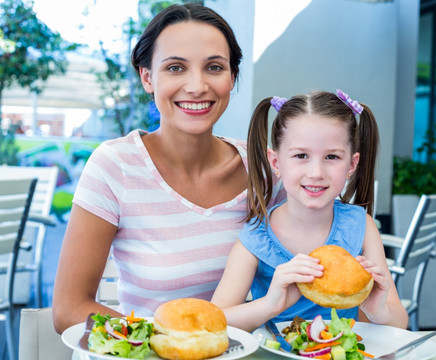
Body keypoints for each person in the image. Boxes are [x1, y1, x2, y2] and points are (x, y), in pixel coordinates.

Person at [52, 3, 285, 334]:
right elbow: (69, 309)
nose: (196, 86)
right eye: (176, 68)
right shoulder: (115, 166)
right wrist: (174, 341)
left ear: (232, 77)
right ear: (147, 77)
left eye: (214, 67)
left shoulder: (267, 168)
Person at [212, 90, 409, 332]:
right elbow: (216, 319)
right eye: (301, 155)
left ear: (352, 164)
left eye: (332, 157)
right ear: (276, 162)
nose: (316, 171)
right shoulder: (257, 236)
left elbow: (400, 322)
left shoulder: (361, 226)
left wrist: (377, 309)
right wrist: (271, 304)